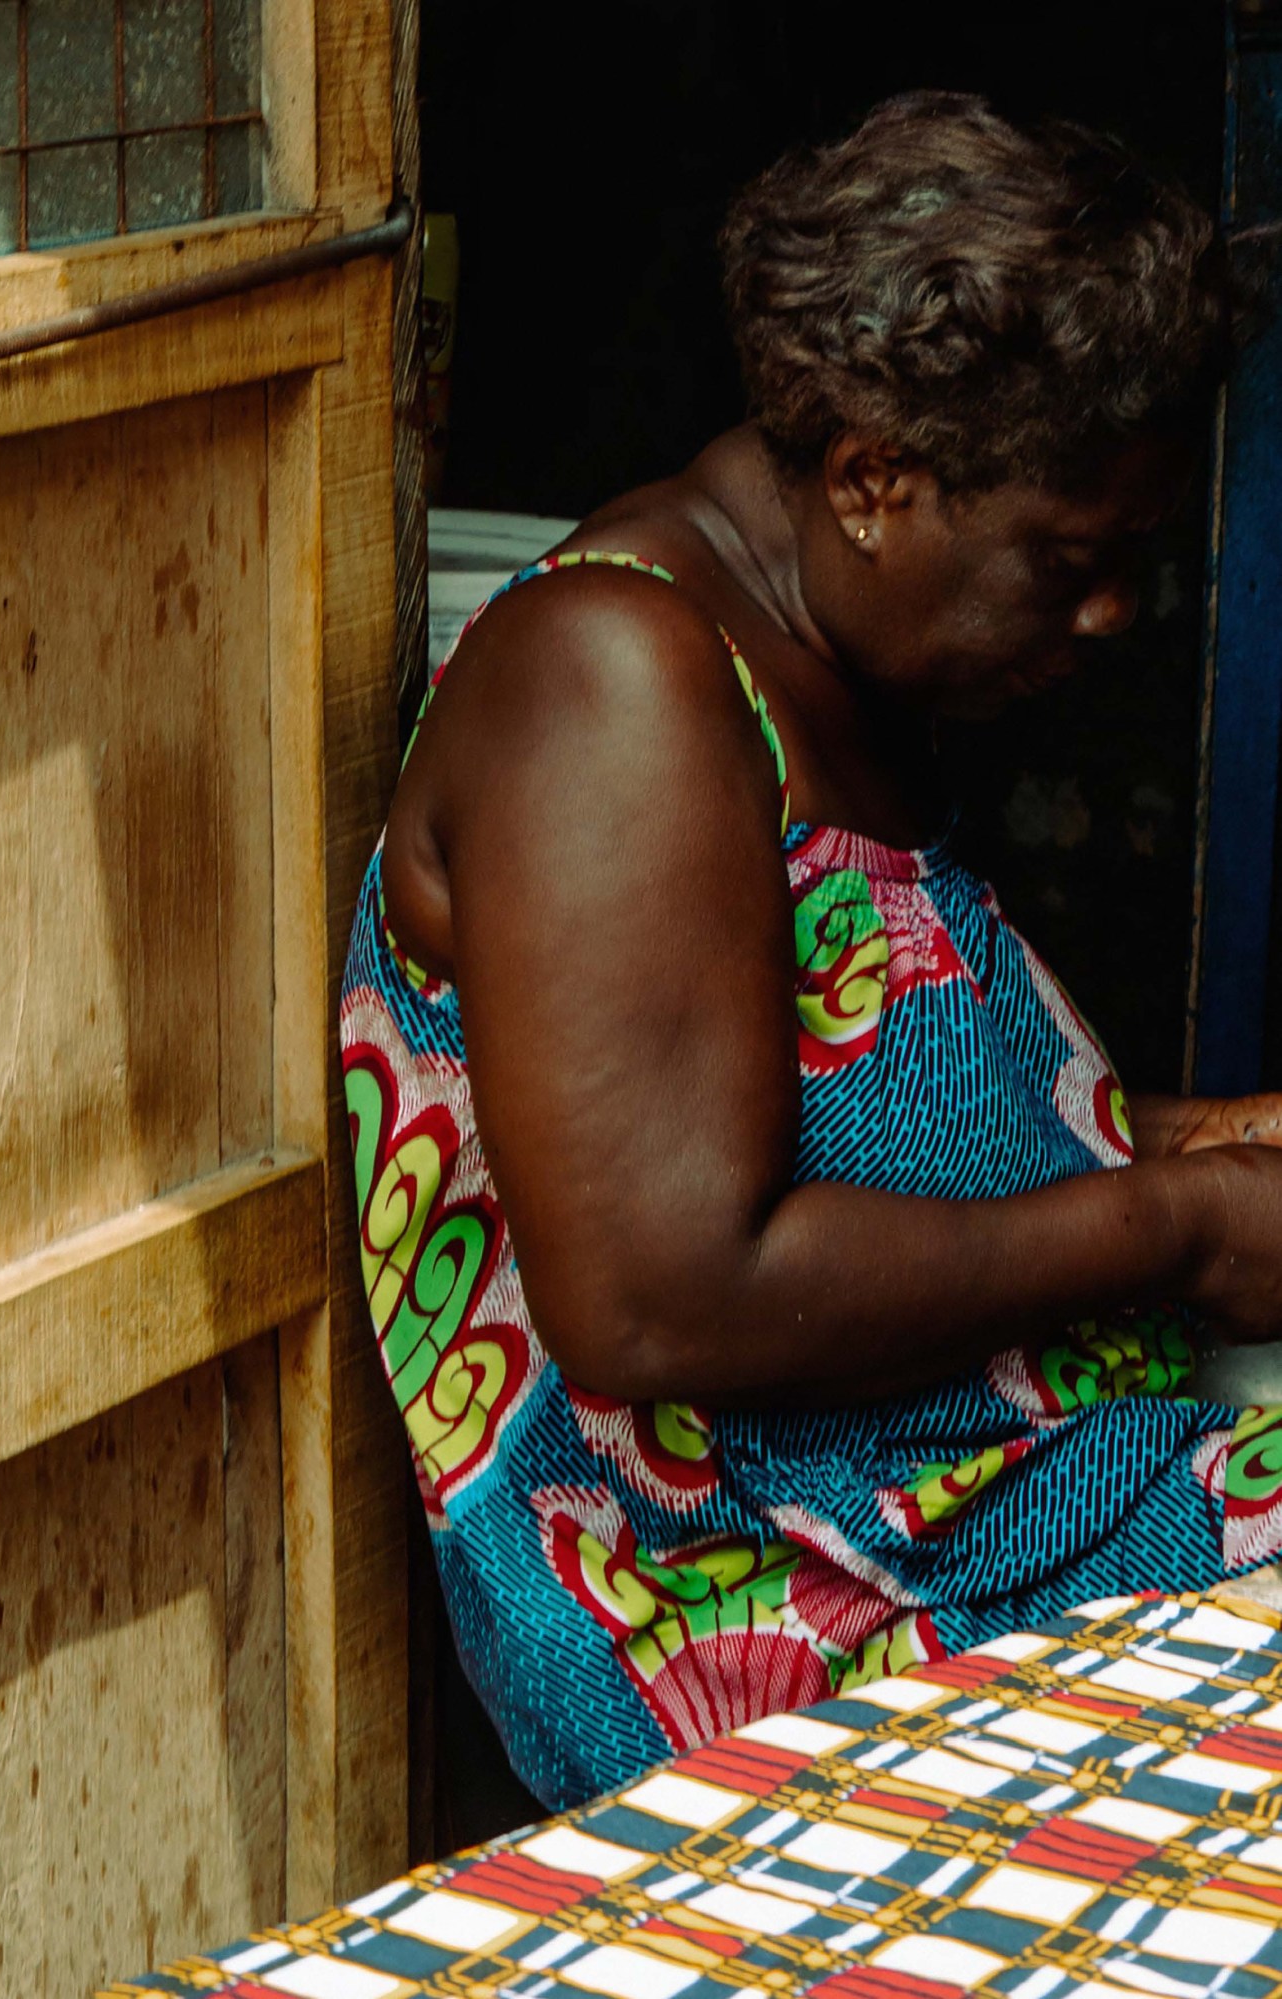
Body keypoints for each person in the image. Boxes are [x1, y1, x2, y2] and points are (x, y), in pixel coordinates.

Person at [341, 91, 1282, 1812]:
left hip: (992, 1494)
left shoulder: (826, 675)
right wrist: (1178, 1223)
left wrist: (1196, 1141)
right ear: (869, 478)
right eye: (1071, 561)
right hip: (795, 1612)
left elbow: (852, 1114)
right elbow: (658, 1293)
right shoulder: (610, 684)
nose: (1108, 617)